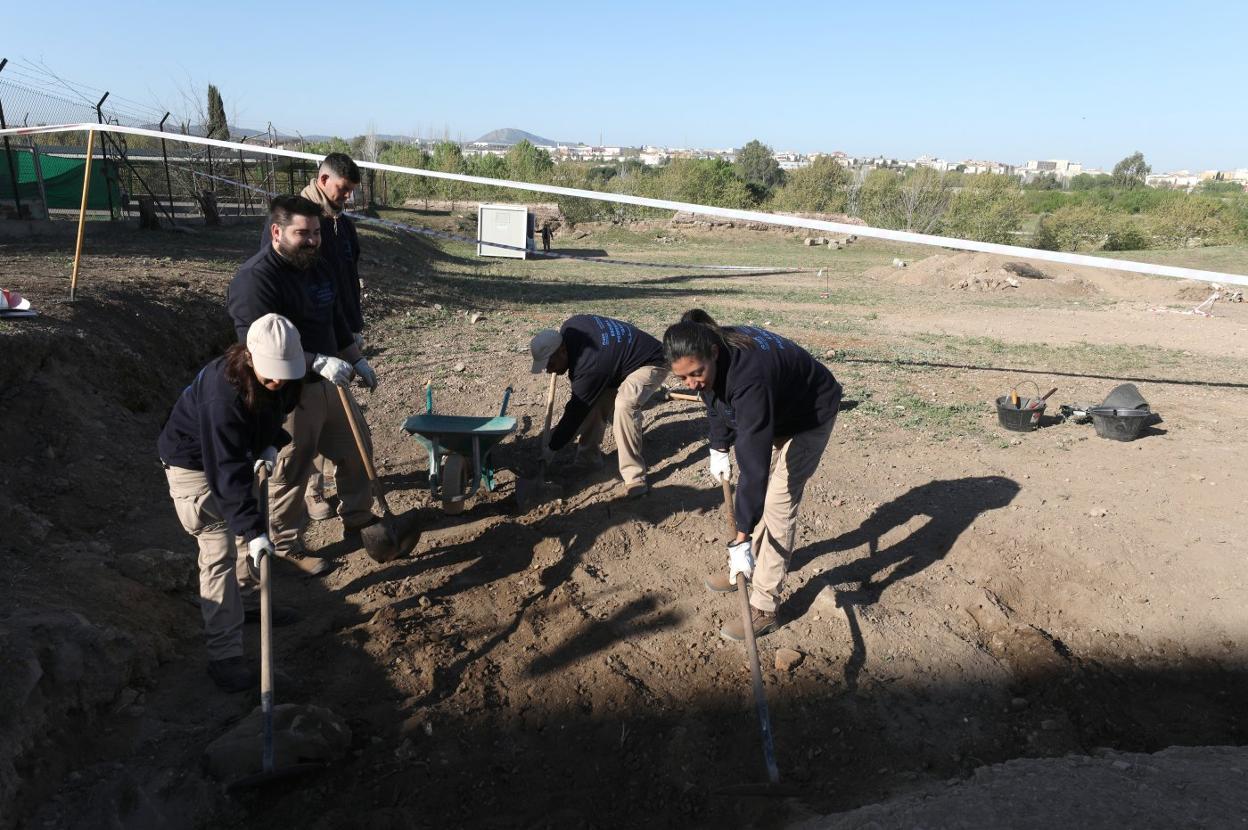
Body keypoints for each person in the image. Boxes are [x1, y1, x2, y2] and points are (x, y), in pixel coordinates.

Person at [664, 310, 842, 641]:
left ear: (713, 353)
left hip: (810, 414)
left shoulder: (750, 379)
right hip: (780, 410)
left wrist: (742, 534)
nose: (691, 384)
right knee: (762, 497)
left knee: (778, 502)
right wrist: (718, 446)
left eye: (696, 373)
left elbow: (753, 464)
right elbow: (713, 398)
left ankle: (764, 607)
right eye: (682, 378)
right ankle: (748, 568)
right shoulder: (711, 356)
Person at [228, 195, 379, 576]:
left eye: (316, 233)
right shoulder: (255, 280)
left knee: (358, 449)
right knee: (291, 468)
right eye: (302, 233)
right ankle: (286, 544)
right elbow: (257, 347)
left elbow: (336, 319)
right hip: (286, 392)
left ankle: (358, 516)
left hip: (332, 381)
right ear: (276, 232)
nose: (312, 240)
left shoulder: (318, 266)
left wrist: (354, 356)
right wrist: (314, 361)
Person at [157, 314, 304, 692]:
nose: (279, 382)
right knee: (220, 548)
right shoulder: (221, 396)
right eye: (272, 374)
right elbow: (224, 472)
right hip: (194, 467)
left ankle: (249, 601)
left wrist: (271, 442)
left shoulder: (285, 376)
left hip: (233, 455)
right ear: (250, 358)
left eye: (285, 374)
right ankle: (224, 656)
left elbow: (276, 409)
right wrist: (254, 530)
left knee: (246, 533)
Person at [530, 314, 670, 498]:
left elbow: (574, 413)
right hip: (615, 363)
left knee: (624, 404)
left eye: (550, 364)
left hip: (651, 360)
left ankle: (634, 477)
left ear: (563, 350)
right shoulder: (571, 326)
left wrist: (552, 447)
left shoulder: (589, 367)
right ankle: (588, 459)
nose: (549, 371)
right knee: (592, 399)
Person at [298, 153, 365, 522]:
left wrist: (352, 331)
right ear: (323, 180)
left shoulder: (342, 225)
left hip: (339, 331)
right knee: (309, 417)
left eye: (351, 191)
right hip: (310, 339)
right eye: (343, 189)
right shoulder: (298, 221)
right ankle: (312, 489)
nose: (347, 198)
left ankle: (345, 488)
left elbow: (347, 278)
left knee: (338, 415)